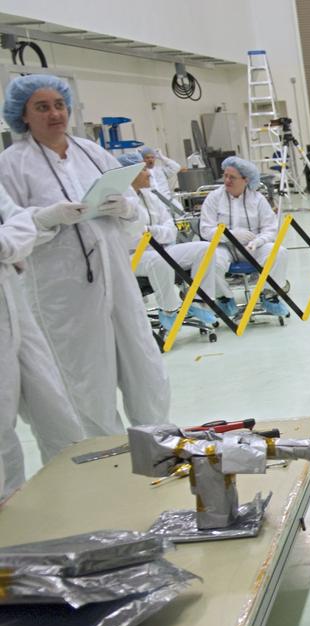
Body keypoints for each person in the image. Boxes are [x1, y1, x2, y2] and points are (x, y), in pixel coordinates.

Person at [0, 74, 170, 436]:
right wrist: (48, 218)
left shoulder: (90, 152)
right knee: (87, 378)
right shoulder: (12, 164)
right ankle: (106, 460)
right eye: (42, 107)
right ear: (23, 115)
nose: (54, 114)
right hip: (63, 291)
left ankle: (155, 444)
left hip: (117, 277)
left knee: (144, 365)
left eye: (59, 105)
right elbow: (11, 236)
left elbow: (134, 220)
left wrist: (124, 208)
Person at [0, 182, 86, 498]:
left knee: (53, 402)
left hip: (11, 293)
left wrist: (12, 240)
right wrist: (14, 239)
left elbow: (20, 221)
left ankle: (72, 491)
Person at [117, 151, 218, 333]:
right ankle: (169, 309)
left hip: (162, 248)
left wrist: (152, 231)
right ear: (131, 174)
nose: (149, 173)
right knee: (158, 260)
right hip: (132, 257)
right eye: (144, 170)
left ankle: (197, 301)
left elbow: (170, 230)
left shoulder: (150, 196)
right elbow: (132, 238)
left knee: (205, 249)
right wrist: (155, 233)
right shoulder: (120, 202)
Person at [198, 156, 288, 319]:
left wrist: (258, 241)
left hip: (252, 247)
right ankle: (224, 298)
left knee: (278, 252)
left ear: (246, 179)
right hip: (224, 247)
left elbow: (271, 228)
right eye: (225, 175)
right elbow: (205, 229)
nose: (227, 180)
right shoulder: (214, 198)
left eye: (232, 177)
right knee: (209, 258)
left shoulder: (258, 200)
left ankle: (269, 295)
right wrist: (228, 235)